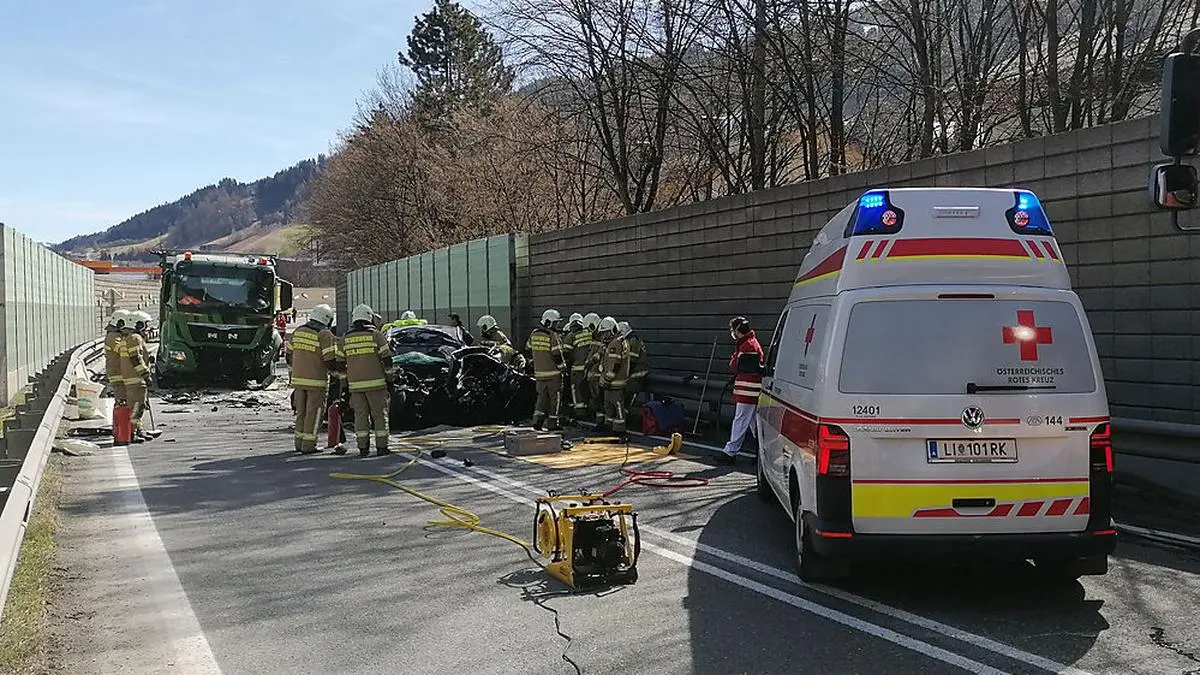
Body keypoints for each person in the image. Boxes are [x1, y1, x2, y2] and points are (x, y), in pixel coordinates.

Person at [288, 304, 341, 454]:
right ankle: (309, 445)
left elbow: (288, 355)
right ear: (327, 319)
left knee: (301, 413)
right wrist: (339, 376)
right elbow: (330, 361)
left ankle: (299, 443)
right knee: (314, 413)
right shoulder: (324, 335)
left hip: (298, 381)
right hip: (316, 382)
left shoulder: (298, 331)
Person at [343, 304, 395, 457]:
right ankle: (382, 447)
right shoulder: (376, 335)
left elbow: (340, 364)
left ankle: (363, 448)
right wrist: (390, 380)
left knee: (360, 417)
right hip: (376, 384)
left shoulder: (346, 338)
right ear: (369, 317)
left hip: (355, 386)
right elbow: (387, 360)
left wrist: (344, 387)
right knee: (379, 416)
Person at [721, 316, 763, 463]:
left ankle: (730, 452)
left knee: (740, 420)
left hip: (748, 390)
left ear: (737, 330)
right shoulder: (749, 343)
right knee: (753, 422)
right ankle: (761, 453)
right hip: (750, 390)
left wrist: (734, 358)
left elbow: (735, 365)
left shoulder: (747, 346)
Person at [527, 309, 568, 431]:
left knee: (541, 399)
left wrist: (534, 364)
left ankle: (537, 421)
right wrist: (563, 369)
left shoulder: (534, 334)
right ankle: (553, 424)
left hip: (539, 375)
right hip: (553, 375)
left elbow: (528, 350)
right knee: (555, 400)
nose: (557, 325)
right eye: (556, 323)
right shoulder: (552, 336)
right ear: (549, 323)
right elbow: (557, 355)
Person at [593, 316, 631, 440]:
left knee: (617, 406)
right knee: (608, 406)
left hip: (615, 383)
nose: (604, 336)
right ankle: (609, 427)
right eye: (602, 333)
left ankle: (620, 429)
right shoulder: (617, 342)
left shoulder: (615, 344)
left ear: (613, 330)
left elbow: (615, 365)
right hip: (612, 382)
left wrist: (607, 379)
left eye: (606, 333)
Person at [119, 310, 154, 442]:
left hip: (132, 378)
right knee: (136, 407)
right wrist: (145, 374)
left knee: (138, 406)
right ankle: (132, 432)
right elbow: (135, 359)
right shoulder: (135, 338)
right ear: (138, 324)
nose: (146, 327)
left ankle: (137, 430)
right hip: (136, 379)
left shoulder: (128, 338)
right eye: (144, 324)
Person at [561, 313, 590, 423]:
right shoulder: (589, 333)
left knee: (577, 391)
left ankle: (580, 413)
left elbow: (565, 354)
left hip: (577, 369)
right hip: (590, 368)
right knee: (587, 391)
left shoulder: (571, 336)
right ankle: (589, 411)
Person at [618, 321, 648, 411]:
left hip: (637, 372)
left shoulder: (633, 340)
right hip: (634, 371)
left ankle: (626, 412)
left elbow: (632, 359)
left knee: (630, 393)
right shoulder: (631, 339)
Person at [581, 313, 605, 423]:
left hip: (600, 375)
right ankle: (599, 421)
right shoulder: (595, 337)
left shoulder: (603, 337)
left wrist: (591, 362)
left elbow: (600, 354)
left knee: (600, 400)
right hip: (593, 375)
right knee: (596, 399)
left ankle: (602, 422)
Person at [105, 309, 129, 409]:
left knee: (124, 400)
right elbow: (122, 350)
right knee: (122, 400)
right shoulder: (113, 337)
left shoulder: (116, 335)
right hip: (117, 374)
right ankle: (121, 418)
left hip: (119, 372)